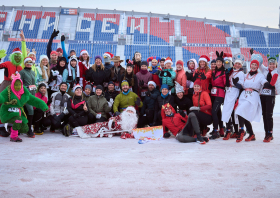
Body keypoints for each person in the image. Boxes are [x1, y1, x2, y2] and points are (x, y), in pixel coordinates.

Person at [0, 73, 48, 142]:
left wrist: (42, 105)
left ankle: (12, 129)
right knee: (18, 120)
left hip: (17, 112)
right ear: (12, 84)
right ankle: (13, 137)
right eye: (16, 85)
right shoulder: (8, 91)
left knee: (24, 129)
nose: (18, 86)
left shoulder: (24, 91)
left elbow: (33, 99)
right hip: (7, 111)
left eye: (19, 85)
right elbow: (2, 97)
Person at [234, 59, 268, 143]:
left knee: (240, 111)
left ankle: (241, 130)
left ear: (257, 67)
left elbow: (264, 82)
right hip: (243, 96)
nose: (253, 66)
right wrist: (236, 83)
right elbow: (241, 85)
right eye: (252, 64)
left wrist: (268, 84)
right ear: (250, 65)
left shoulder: (260, 76)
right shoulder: (246, 75)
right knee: (243, 115)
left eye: (255, 65)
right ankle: (252, 134)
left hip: (253, 96)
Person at [0, 47, 23, 137]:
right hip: (6, 85)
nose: (17, 58)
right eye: (16, 56)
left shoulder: (20, 67)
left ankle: (11, 126)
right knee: (3, 105)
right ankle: (1, 127)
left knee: (14, 106)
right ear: (13, 56)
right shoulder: (7, 63)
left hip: (16, 87)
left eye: (19, 56)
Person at [222, 54, 245, 140]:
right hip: (229, 92)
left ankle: (239, 131)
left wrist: (236, 83)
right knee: (227, 111)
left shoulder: (241, 73)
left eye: (239, 64)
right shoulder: (231, 71)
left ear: (241, 65)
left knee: (235, 113)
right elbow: (227, 83)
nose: (237, 65)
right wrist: (227, 76)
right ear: (234, 64)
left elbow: (241, 86)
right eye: (236, 64)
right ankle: (229, 130)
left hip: (235, 92)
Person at [259, 54, 280, 142]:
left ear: (276, 65)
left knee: (269, 115)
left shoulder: (277, 71)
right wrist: (252, 55)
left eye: (273, 64)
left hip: (271, 95)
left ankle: (270, 133)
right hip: (263, 95)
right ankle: (266, 133)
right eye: (270, 64)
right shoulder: (265, 70)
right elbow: (259, 65)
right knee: (264, 114)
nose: (271, 65)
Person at [209, 51, 227, 139]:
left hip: (220, 94)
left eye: (220, 62)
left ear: (222, 63)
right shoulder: (213, 72)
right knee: (218, 112)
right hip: (213, 93)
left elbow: (225, 84)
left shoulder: (224, 72)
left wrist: (226, 77)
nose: (218, 63)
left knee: (214, 111)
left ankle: (215, 130)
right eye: (217, 62)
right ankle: (221, 129)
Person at [19, 57, 37, 138]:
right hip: (25, 95)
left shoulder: (33, 72)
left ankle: (27, 128)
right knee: (29, 110)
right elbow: (20, 85)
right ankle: (29, 129)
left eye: (30, 62)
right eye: (27, 62)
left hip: (32, 95)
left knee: (30, 110)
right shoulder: (22, 72)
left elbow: (34, 83)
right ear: (24, 63)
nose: (29, 64)